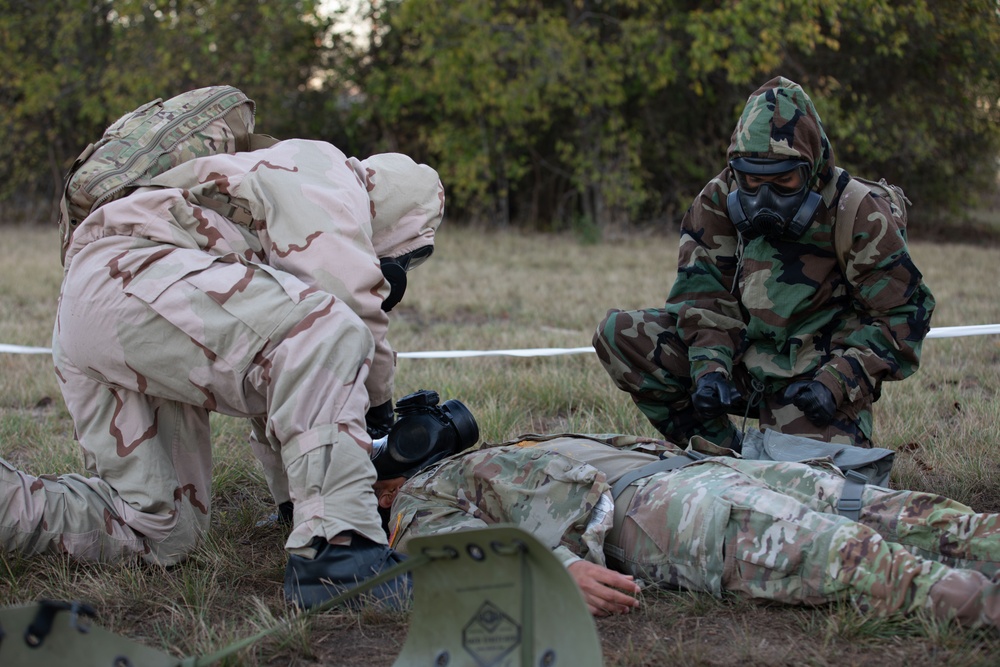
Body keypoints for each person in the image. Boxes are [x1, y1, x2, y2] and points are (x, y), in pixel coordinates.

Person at [0, 139, 442, 608]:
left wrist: (296, 502)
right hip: (133, 276)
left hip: (105, 303)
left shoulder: (277, 204)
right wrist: (377, 423)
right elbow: (343, 311)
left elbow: (279, 367)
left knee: (159, 527)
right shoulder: (324, 170)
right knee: (331, 329)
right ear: (401, 215)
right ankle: (339, 557)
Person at [593, 76, 935, 451]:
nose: (764, 199)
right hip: (740, 363)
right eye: (751, 182)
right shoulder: (718, 199)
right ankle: (721, 453)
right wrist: (710, 370)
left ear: (810, 167)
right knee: (620, 334)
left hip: (813, 379)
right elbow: (703, 299)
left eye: (783, 182)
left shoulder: (855, 211)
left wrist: (837, 382)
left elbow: (904, 313)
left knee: (807, 492)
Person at [378, 432, 1000, 629]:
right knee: (854, 558)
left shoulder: (511, 445)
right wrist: (558, 572)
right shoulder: (418, 497)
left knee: (925, 518)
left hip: (708, 469)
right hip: (662, 517)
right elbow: (445, 550)